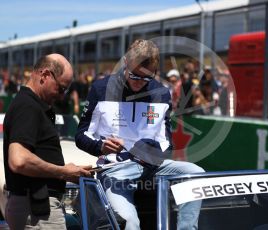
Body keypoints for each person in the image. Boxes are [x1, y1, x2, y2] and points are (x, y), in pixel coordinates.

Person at [75, 39, 204, 230]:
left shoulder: (162, 93)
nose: (138, 84)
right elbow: (81, 134)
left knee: (195, 173)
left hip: (151, 166)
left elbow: (166, 144)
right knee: (131, 223)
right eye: (134, 76)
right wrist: (100, 146)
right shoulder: (101, 89)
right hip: (115, 170)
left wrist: (150, 150)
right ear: (126, 63)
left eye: (146, 79)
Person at [3, 53, 92, 229]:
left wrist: (69, 171)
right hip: (38, 210)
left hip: (36, 207)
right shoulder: (28, 106)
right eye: (60, 89)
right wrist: (63, 172)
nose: (61, 96)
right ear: (45, 75)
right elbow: (19, 160)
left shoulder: (30, 104)